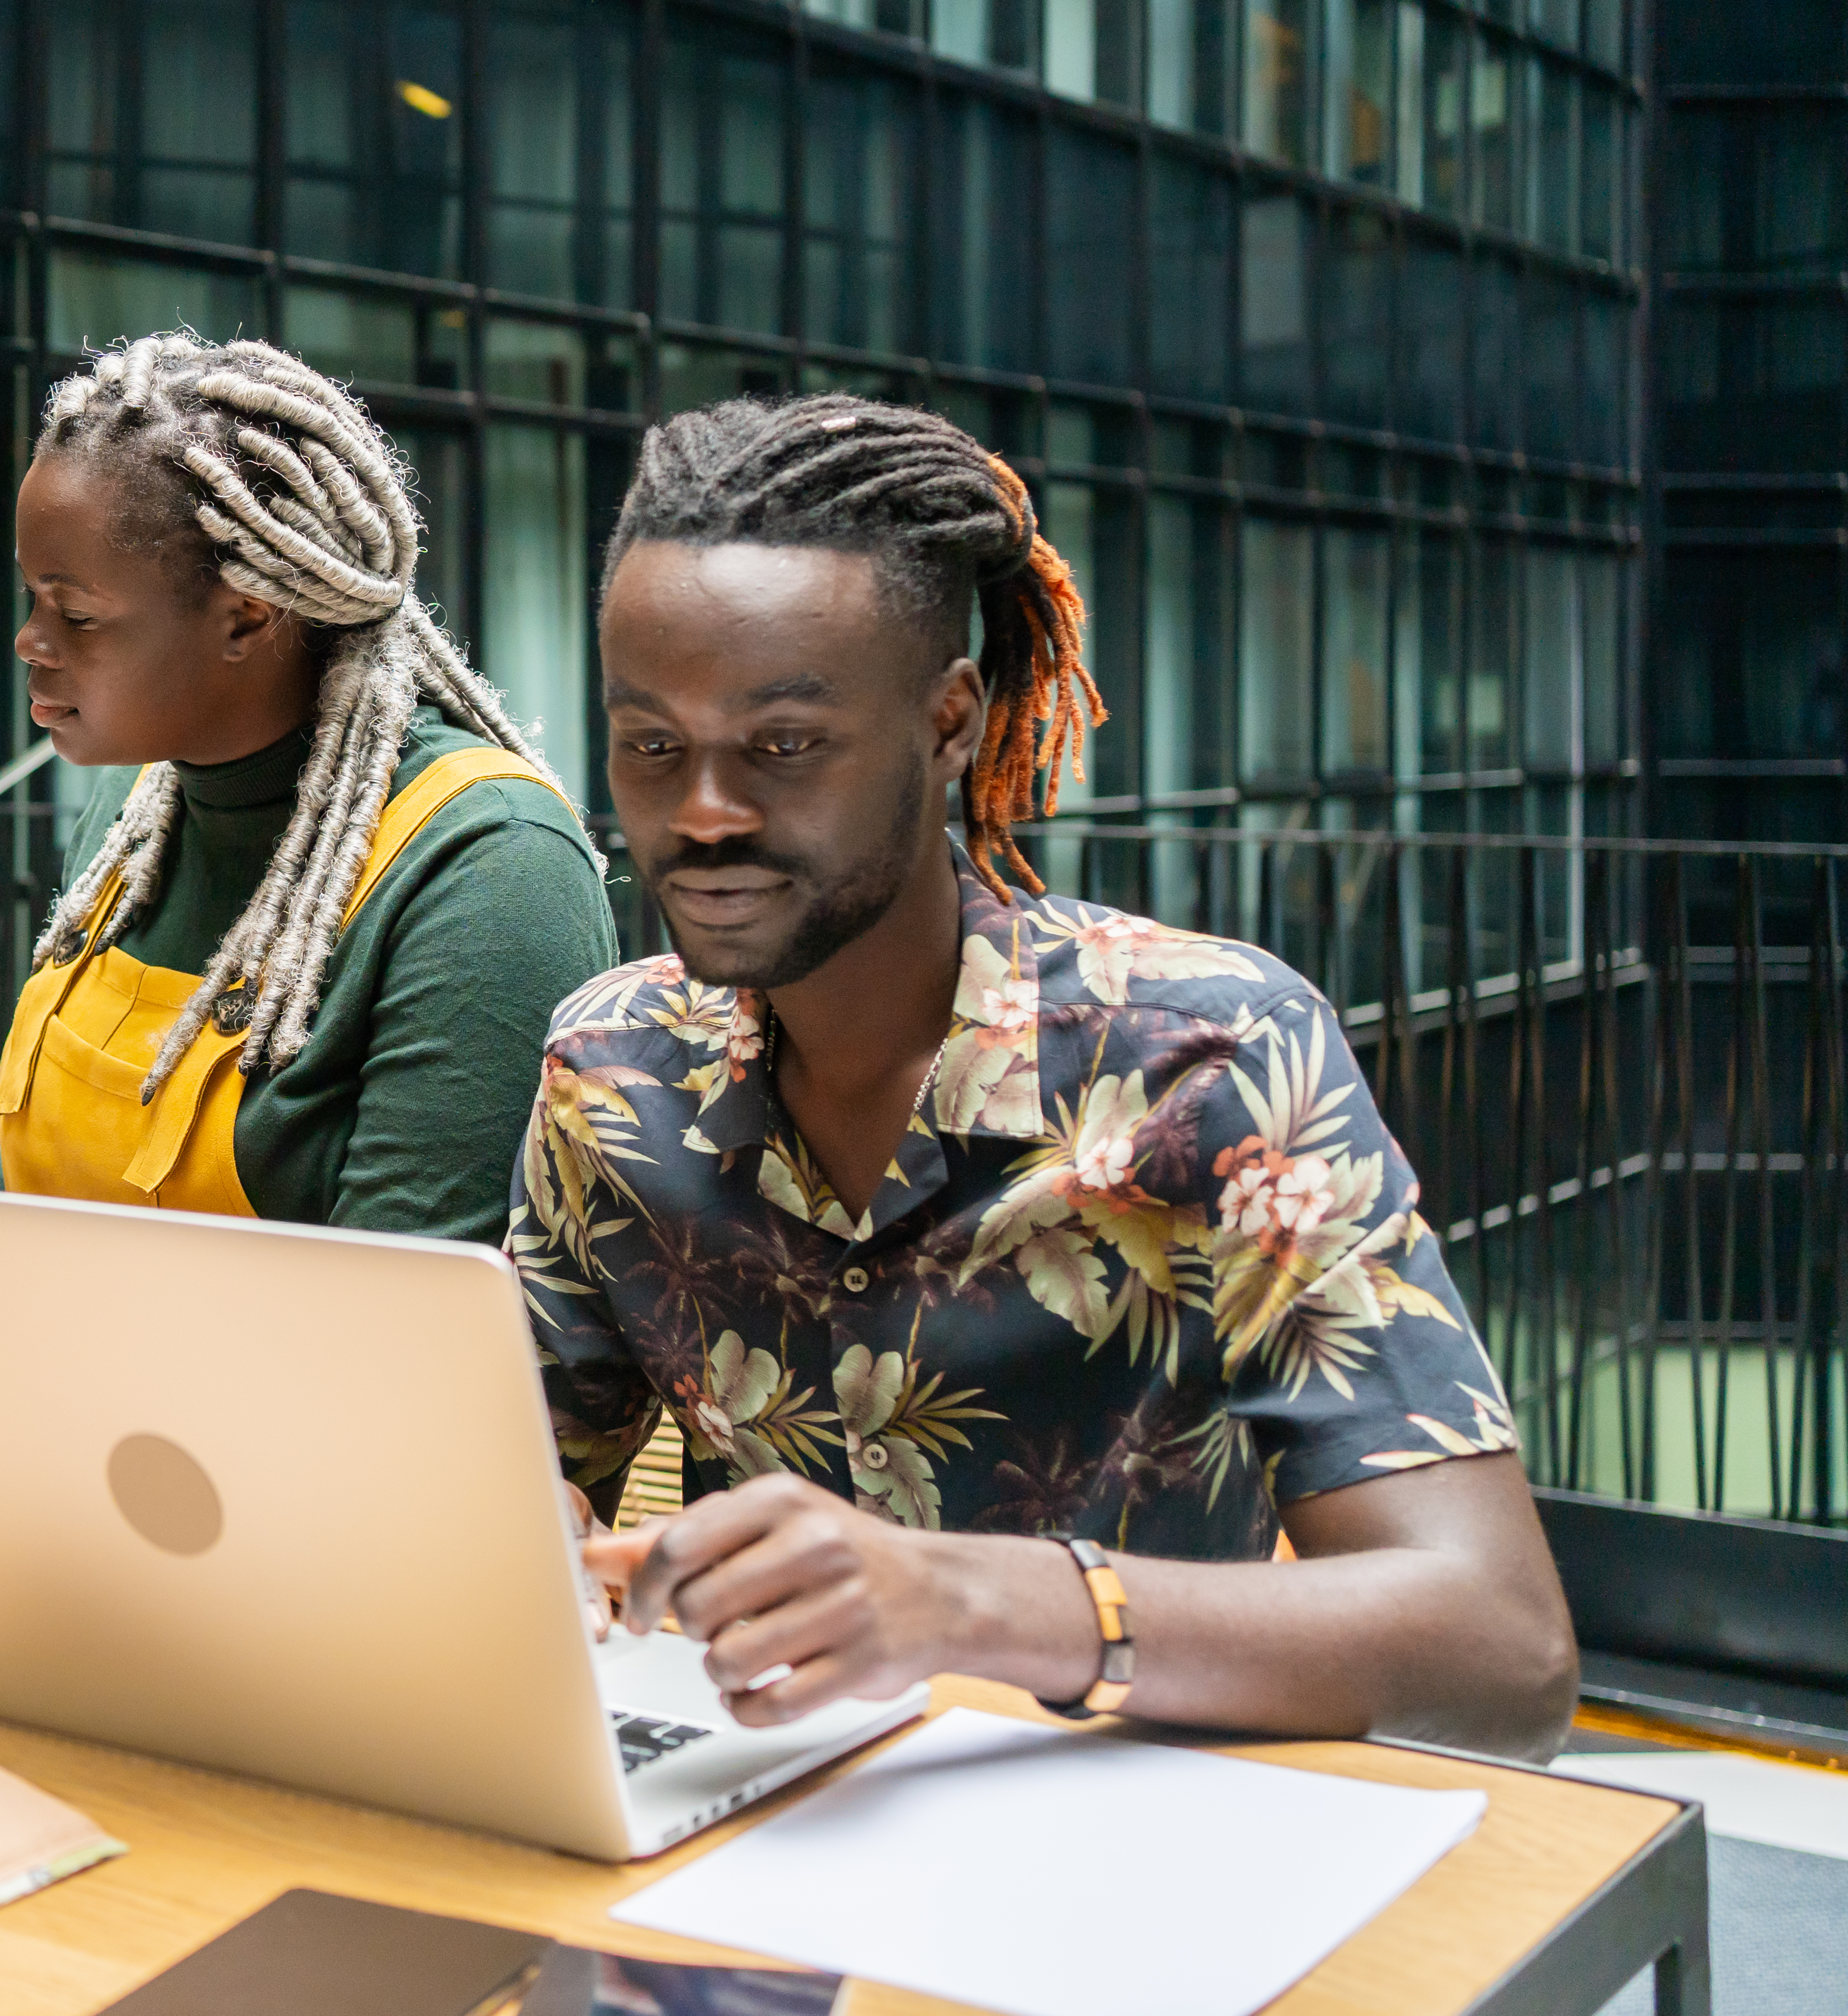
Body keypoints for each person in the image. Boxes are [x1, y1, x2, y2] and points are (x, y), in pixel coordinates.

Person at [522, 396, 1579, 1760]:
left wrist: (968, 1600)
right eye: (653, 745)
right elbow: (523, 1484)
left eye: (783, 745)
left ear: (950, 722)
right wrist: (521, 1540)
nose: (704, 812)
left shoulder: (1212, 1060)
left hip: (1139, 1809)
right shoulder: (608, 1071)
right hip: (759, 1800)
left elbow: (1503, 1650)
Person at [0, 332, 617, 1426]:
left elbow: (391, 1359)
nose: (30, 643)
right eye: (32, 599)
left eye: (77, 614)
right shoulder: (138, 809)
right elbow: (57, 1181)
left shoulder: (491, 871)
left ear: (249, 616)